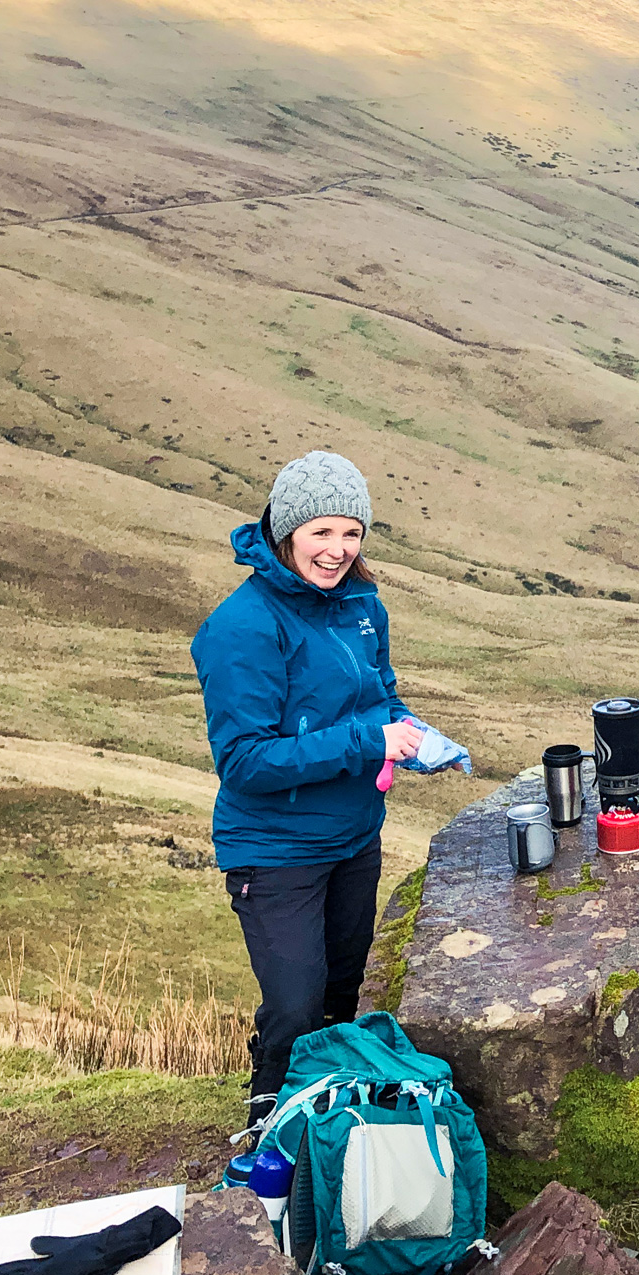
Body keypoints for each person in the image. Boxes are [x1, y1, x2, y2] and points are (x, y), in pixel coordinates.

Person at [191, 451, 422, 1130]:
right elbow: (245, 761)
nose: (338, 550)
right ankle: (272, 1112)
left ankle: (332, 1114)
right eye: (322, 532)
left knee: (344, 992)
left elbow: (378, 694)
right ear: (286, 530)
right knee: (294, 1004)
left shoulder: (361, 604)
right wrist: (366, 742)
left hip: (354, 837)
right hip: (274, 851)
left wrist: (408, 729)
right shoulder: (243, 627)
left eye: (351, 533)